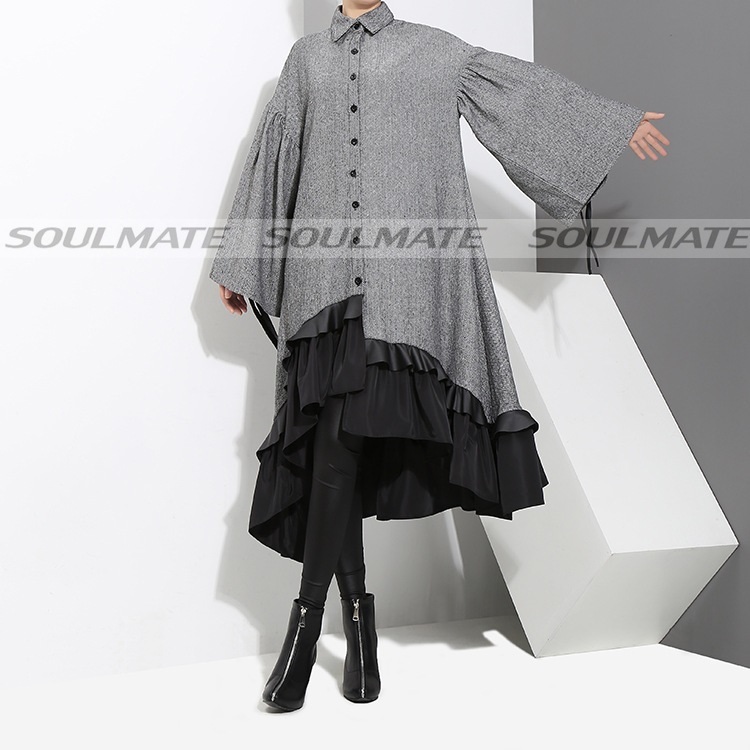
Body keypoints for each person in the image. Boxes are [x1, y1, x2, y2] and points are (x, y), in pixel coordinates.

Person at [210, 0, 669, 712]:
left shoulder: (435, 50)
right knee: (335, 442)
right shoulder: (305, 61)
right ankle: (356, 629)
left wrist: (607, 125)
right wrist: (245, 261)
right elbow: (279, 155)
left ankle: (307, 634)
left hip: (405, 288)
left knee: (340, 441)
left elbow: (517, 96)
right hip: (322, 282)